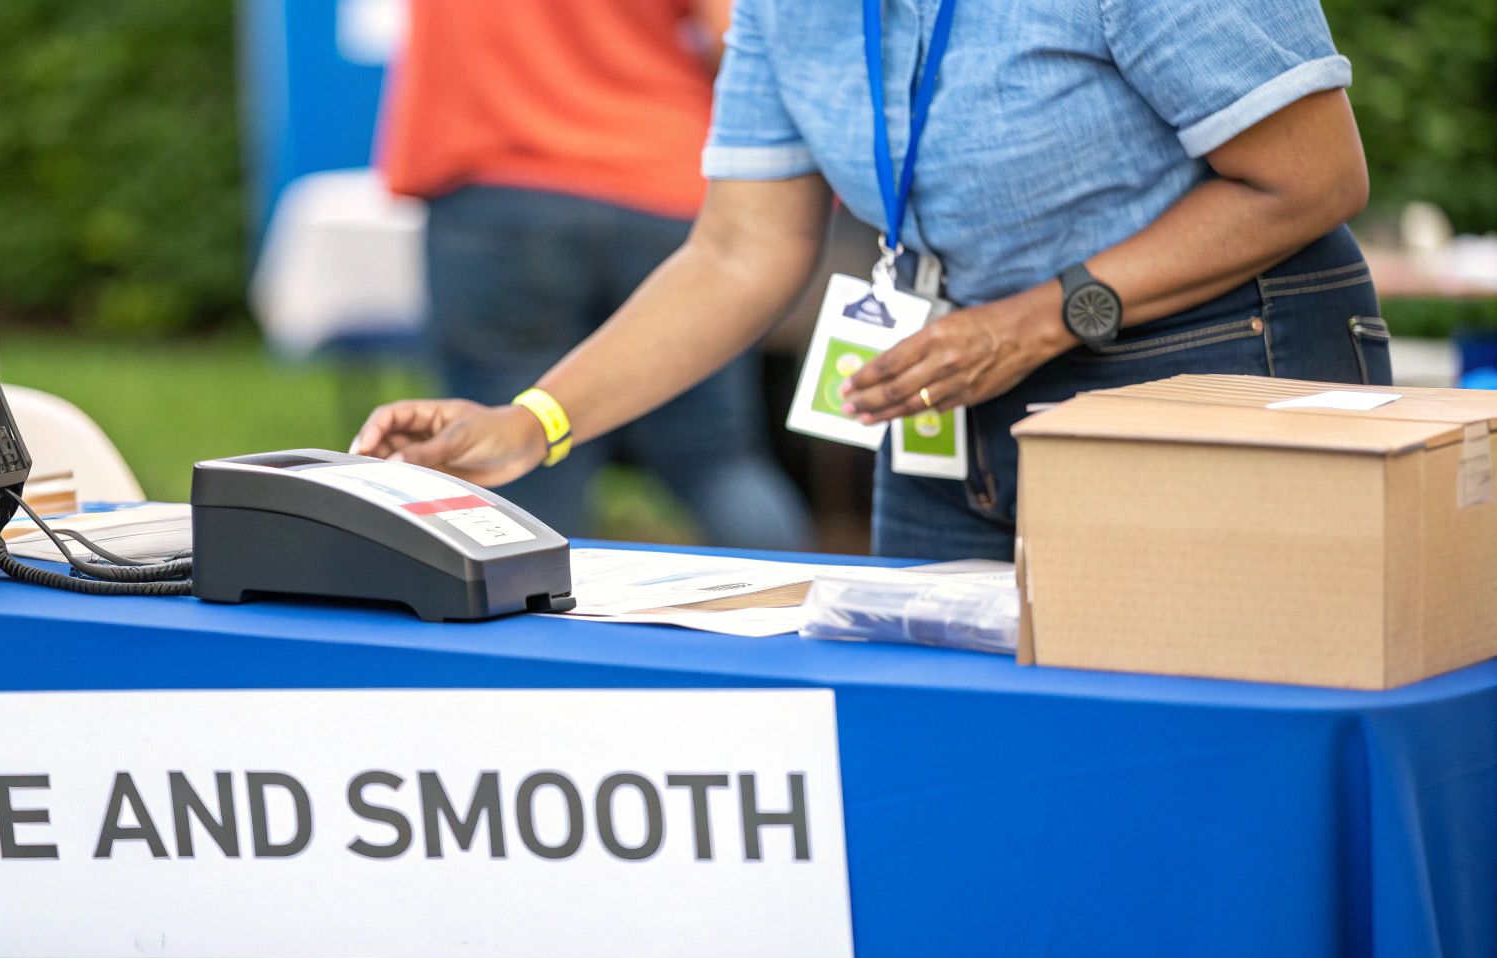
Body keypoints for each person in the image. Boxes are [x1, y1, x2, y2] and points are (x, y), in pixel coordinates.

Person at [355, 0, 1384, 561]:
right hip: (956, 388)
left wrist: (1034, 320)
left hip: (1207, 369)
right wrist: (530, 420)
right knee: (945, 756)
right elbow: (736, 251)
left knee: (1174, 765)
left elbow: (1311, 179)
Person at [376, 0, 814, 549]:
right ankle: (798, 616)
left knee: (513, 473)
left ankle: (526, 624)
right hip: (664, 181)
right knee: (713, 456)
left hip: (499, 187)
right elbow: (736, 36)